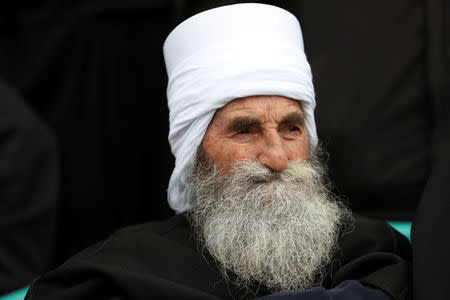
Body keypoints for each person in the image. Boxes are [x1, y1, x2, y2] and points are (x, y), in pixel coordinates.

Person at [25, 4, 411, 300]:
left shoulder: (375, 252)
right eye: (245, 130)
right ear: (194, 150)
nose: (277, 158)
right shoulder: (110, 275)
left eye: (291, 128)